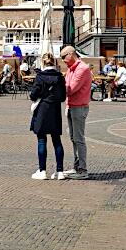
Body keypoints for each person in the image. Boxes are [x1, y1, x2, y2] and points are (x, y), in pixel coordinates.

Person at [29, 52, 67, 180]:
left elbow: (33, 95)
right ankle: (60, 171)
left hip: (42, 109)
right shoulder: (60, 77)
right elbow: (63, 96)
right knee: (57, 140)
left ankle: (42, 170)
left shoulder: (40, 76)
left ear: (43, 62)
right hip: (55, 109)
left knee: (41, 140)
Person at [61, 46, 92, 178]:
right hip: (71, 106)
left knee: (79, 138)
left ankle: (82, 169)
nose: (63, 60)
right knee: (73, 138)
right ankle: (77, 166)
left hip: (79, 107)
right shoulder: (71, 69)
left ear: (71, 54)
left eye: (64, 57)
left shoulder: (82, 69)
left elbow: (71, 89)